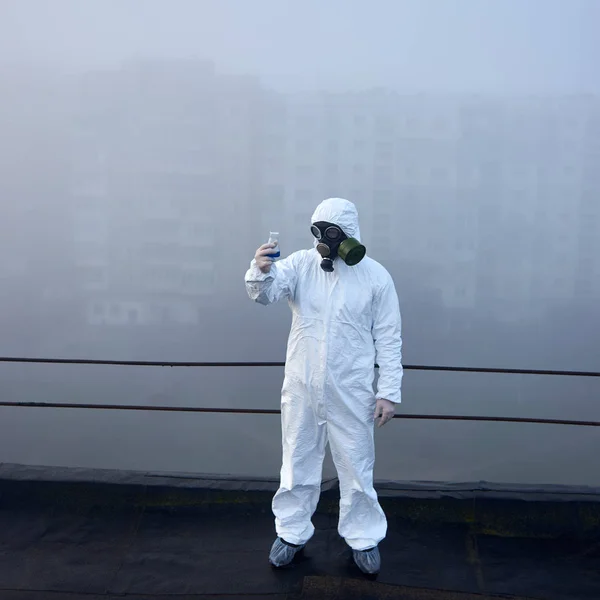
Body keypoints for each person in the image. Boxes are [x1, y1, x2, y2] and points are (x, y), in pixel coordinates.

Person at [244, 197, 403, 575]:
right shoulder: (300, 264)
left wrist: (388, 392)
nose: (325, 240)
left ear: (349, 234)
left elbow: (390, 337)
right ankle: (291, 533)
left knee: (357, 466)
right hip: (302, 385)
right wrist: (260, 268)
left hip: (353, 390)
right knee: (297, 462)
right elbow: (264, 295)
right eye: (319, 231)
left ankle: (364, 538)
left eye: (332, 233)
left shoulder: (376, 277)